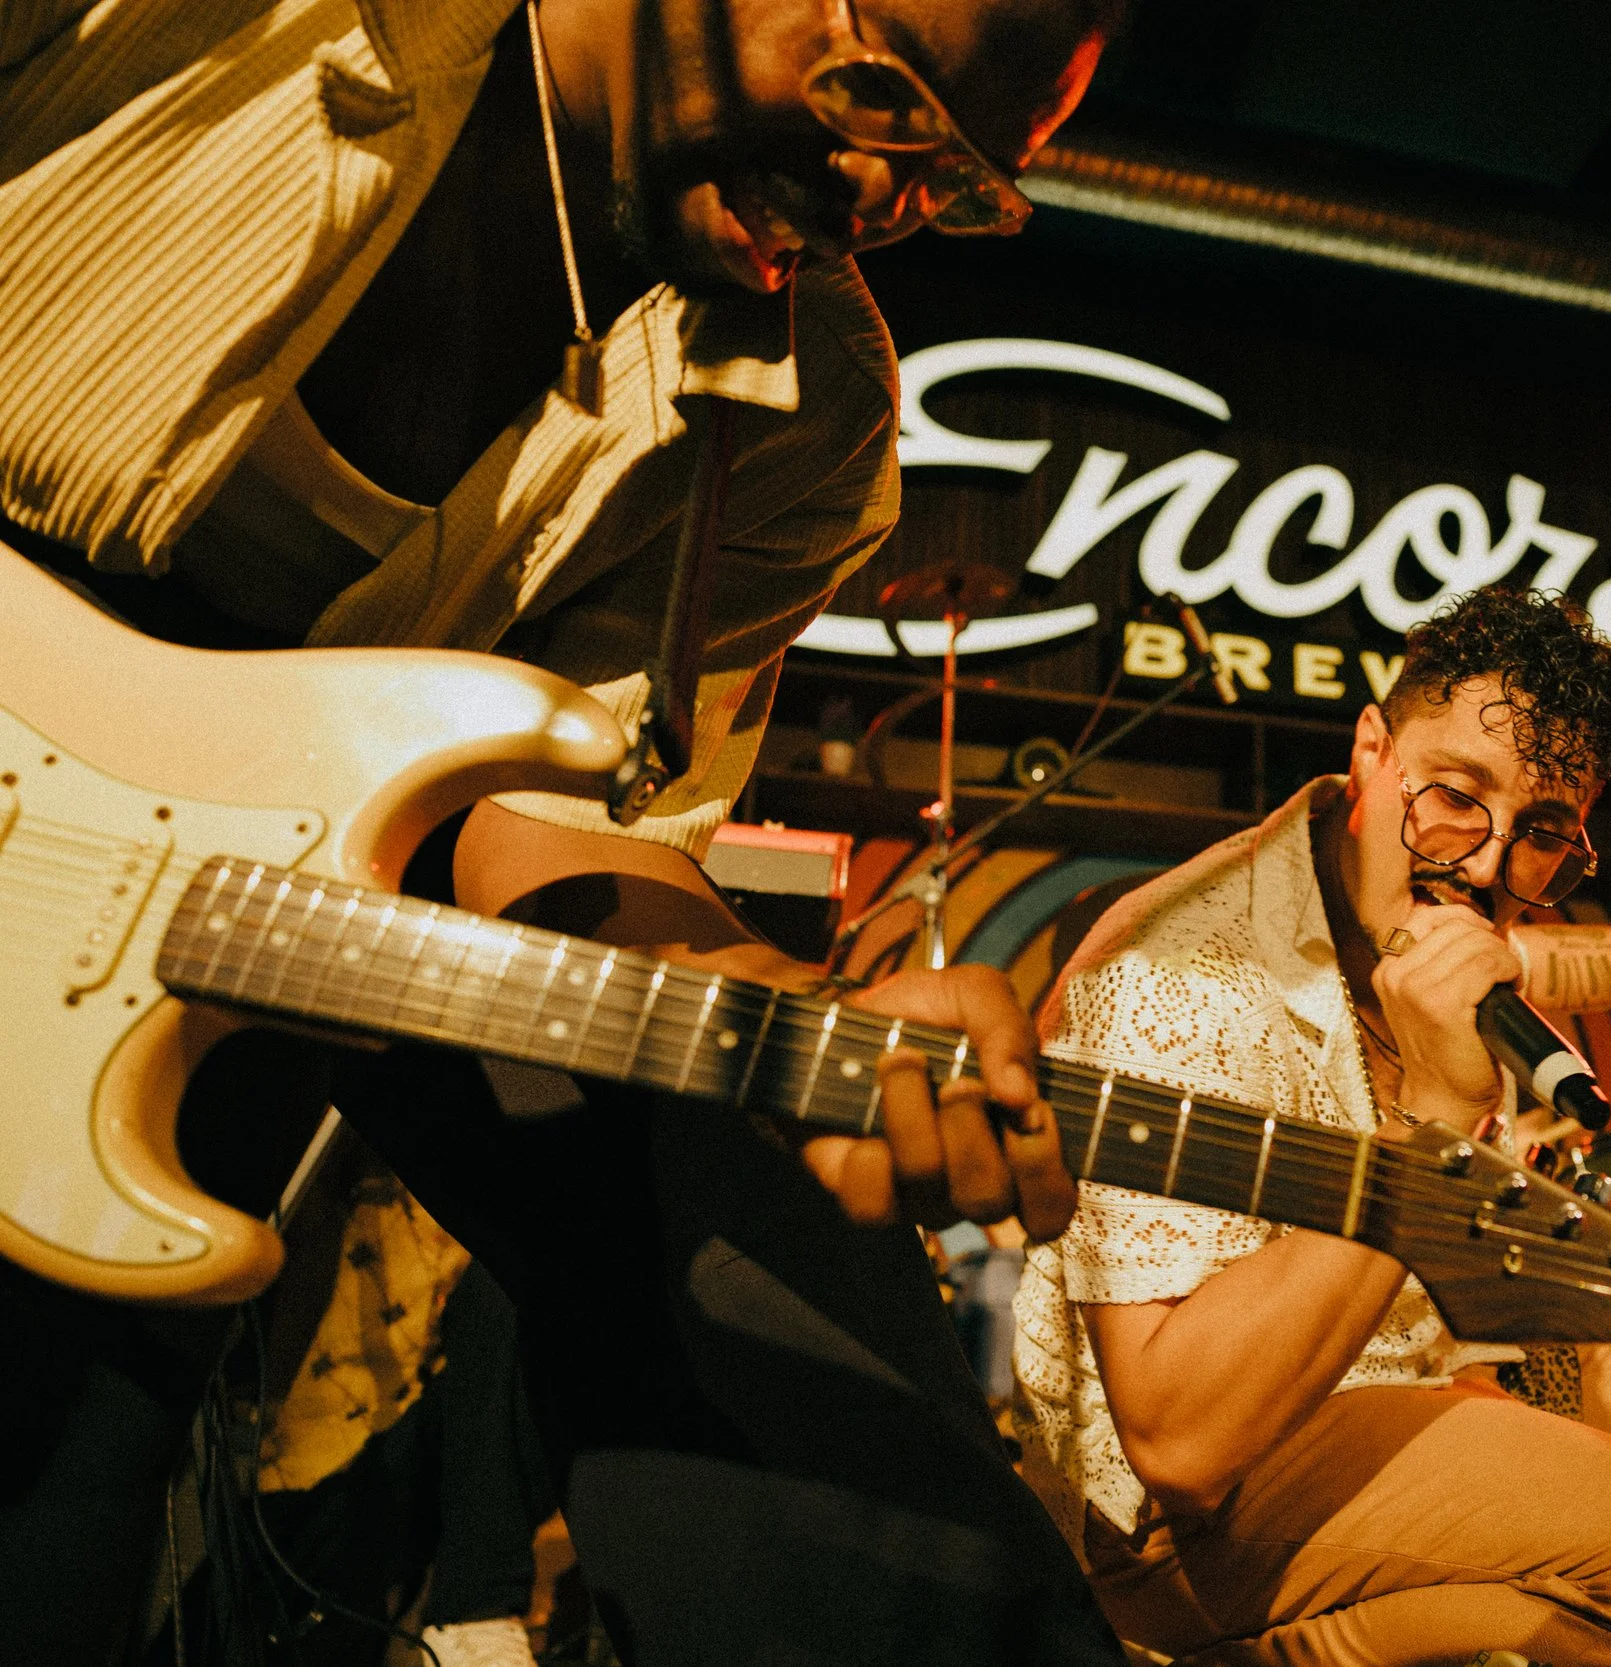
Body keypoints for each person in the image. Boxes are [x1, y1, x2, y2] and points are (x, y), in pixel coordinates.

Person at [0, 1, 1123, 1659]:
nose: (871, 194)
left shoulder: (798, 406)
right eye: (872, 91)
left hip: (207, 959)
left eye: (945, 179)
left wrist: (772, 1000)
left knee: (744, 1188)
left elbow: (535, 808)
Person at [1011, 587, 1611, 1666]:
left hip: (1403, 1378)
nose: (1485, 865)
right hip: (1182, 1519)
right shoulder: (1174, 971)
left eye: (1543, 833)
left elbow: (1562, 963)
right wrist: (1434, 1119)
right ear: (1370, 746)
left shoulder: (1386, 900)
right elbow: (1177, 1443)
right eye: (1455, 794)